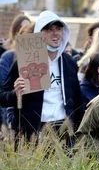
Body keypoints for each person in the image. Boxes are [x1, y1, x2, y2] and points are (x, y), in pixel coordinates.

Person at [0, 11, 84, 140]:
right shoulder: (25, 62)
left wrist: (78, 135)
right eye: (49, 29)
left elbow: (77, 101)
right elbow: (3, 97)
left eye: (58, 29)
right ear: (39, 33)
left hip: (63, 134)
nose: (55, 33)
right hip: (32, 136)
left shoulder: (69, 62)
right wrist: (15, 93)